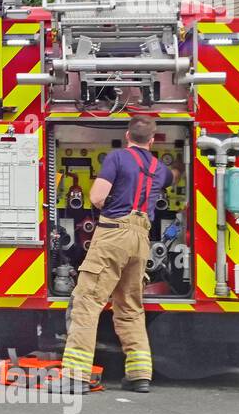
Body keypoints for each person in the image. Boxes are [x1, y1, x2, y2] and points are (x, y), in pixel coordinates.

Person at [50, 116, 182, 395]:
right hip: (141, 238)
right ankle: (139, 375)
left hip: (113, 234)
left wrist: (108, 205)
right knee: (130, 306)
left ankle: (75, 376)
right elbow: (175, 176)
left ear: (127, 135)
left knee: (86, 302)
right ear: (153, 139)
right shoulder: (159, 168)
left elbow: (97, 197)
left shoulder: (118, 158)